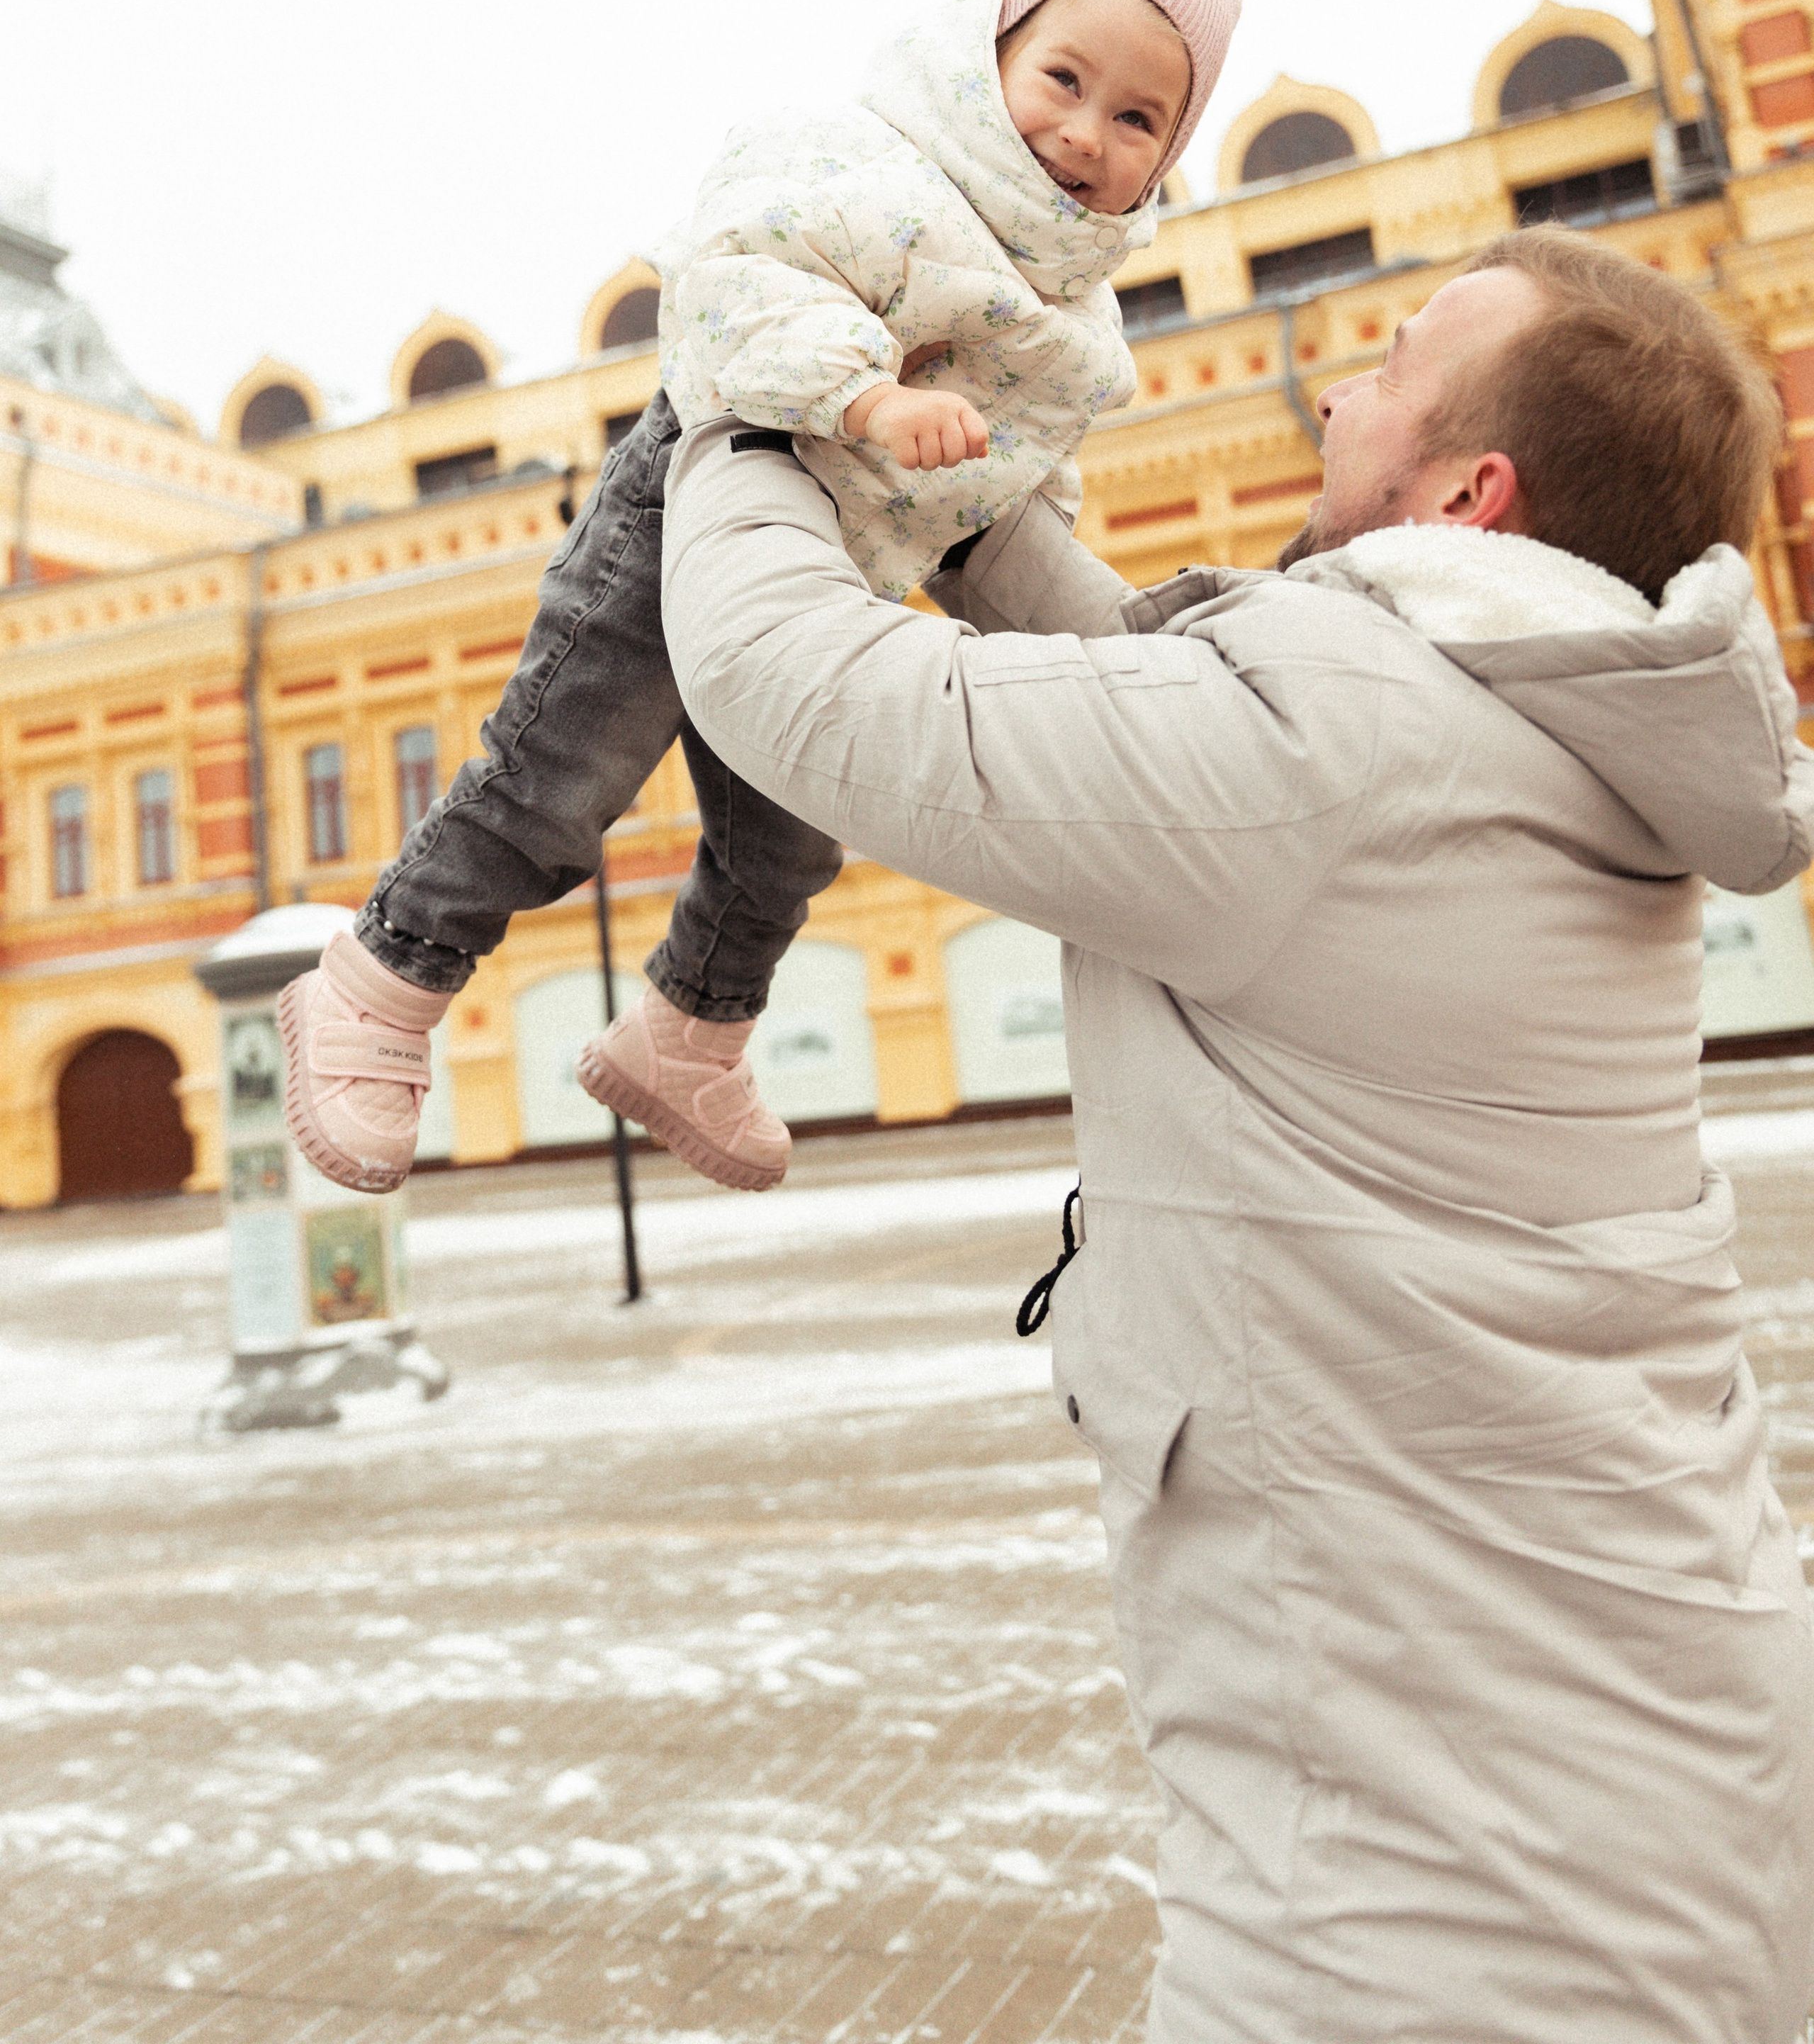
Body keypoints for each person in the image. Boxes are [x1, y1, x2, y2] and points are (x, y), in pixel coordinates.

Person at [654, 228, 1814, 2042]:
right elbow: (1156, 707)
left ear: (1464, 488)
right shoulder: (1523, 736)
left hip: (1441, 1907)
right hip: (1641, 1782)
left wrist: (743, 408)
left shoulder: (1336, 756)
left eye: (1397, 361)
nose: (1337, 382)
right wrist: (966, 493)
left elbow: (788, 680)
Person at [277, 0, 1241, 1196]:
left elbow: (1008, 477)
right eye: (1064, 78)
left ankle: (691, 1031)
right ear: (987, 54)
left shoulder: (1069, 307)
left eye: (1139, 121)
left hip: (821, 580)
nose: (1085, 132)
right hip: (690, 497)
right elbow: (743, 277)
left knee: (793, 835)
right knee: (566, 776)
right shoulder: (865, 162)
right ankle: (379, 982)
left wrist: (1064, 604)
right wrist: (868, 400)